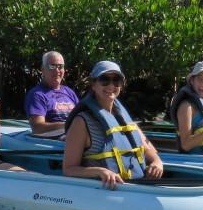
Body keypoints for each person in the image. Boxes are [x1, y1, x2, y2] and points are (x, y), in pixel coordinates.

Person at [63, 61, 165, 189]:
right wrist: (100, 171)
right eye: (104, 80)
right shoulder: (81, 122)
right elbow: (69, 169)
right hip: (104, 190)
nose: (111, 85)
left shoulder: (124, 119)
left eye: (116, 80)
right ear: (93, 84)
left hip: (136, 187)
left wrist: (157, 162)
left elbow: (149, 149)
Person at [24, 51, 79, 138]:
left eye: (60, 66)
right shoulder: (37, 95)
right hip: (55, 140)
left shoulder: (70, 92)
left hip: (75, 134)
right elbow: (37, 128)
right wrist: (67, 125)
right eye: (52, 66)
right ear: (43, 69)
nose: (57, 70)